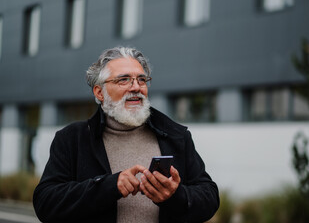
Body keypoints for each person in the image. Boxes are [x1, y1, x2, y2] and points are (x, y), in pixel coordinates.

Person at [33, 46, 219, 223]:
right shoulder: (72, 139)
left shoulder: (175, 135)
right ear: (99, 92)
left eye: (141, 80)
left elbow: (210, 197)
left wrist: (175, 196)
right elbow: (46, 204)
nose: (136, 87)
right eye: (124, 80)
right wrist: (108, 186)